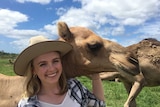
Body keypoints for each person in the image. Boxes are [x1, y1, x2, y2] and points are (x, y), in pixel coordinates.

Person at [14, 35, 106, 107]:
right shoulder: (27, 104)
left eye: (55, 61)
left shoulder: (74, 86)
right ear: (33, 70)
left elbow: (98, 105)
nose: (51, 68)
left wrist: (95, 75)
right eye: (43, 64)